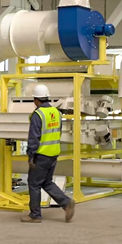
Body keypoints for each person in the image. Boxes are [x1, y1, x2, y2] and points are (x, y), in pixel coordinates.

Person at [21, 84, 76, 223]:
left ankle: (35, 215)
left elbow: (34, 137)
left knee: (34, 183)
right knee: (46, 182)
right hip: (53, 153)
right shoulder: (56, 113)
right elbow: (58, 132)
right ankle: (66, 203)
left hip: (41, 155)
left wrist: (31, 155)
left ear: (35, 100)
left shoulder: (38, 115)